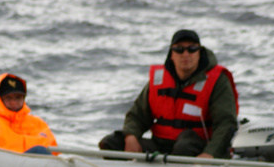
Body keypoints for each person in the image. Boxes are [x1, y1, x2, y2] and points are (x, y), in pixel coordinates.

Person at [100, 29, 238, 159]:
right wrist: (131, 136)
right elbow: (137, 115)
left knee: (184, 145)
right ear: (171, 54)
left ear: (199, 53)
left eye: (192, 49)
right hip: (160, 146)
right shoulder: (159, 80)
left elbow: (226, 123)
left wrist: (210, 153)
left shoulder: (217, 80)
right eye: (179, 49)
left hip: (198, 148)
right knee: (111, 142)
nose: (185, 54)